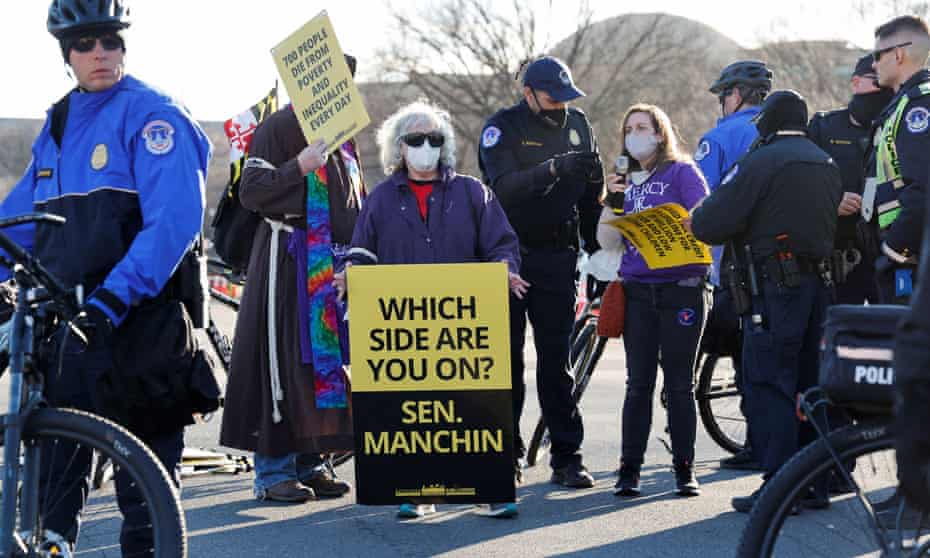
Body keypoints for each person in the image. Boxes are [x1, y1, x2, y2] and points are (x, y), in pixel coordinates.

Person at [0, 1, 212, 554]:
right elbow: (23, 222)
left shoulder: (154, 115)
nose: (100, 53)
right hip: (71, 333)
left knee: (146, 510)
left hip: (140, 330)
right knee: (50, 502)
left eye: (111, 41)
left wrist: (114, 298)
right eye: (86, 43)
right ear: (65, 54)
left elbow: (174, 223)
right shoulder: (60, 121)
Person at [342, 100, 526, 519]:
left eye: (434, 139)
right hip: (405, 334)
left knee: (475, 411)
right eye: (416, 139)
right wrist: (350, 273)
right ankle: (414, 489)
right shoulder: (381, 199)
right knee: (412, 413)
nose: (426, 146)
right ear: (399, 147)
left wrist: (504, 269)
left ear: (445, 146)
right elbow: (361, 252)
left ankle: (490, 488)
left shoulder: (473, 192)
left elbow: (502, 244)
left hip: (462, 330)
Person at [687, 90, 842, 512]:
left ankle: (779, 486)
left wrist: (698, 215)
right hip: (818, 289)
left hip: (773, 291)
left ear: (768, 123)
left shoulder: (760, 161)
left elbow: (711, 222)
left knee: (768, 383)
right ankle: (816, 483)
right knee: (810, 384)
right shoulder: (825, 161)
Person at [219, 56, 364, 504]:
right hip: (287, 258)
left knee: (320, 366)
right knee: (280, 362)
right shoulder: (278, 127)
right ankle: (273, 471)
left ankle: (312, 462)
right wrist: (297, 166)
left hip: (330, 265)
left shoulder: (344, 138)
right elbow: (252, 191)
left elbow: (354, 202)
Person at [477, 56, 603, 489]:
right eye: (551, 97)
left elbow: (590, 196)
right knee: (506, 362)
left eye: (566, 96)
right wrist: (551, 169)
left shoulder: (580, 124)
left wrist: (598, 252)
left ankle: (567, 455)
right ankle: (505, 454)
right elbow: (504, 187)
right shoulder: (502, 128)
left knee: (556, 360)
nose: (560, 105)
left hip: (557, 256)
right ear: (527, 92)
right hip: (510, 256)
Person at [606, 104, 710, 498]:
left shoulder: (681, 172)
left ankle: (685, 469)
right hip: (637, 291)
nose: (635, 134)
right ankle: (628, 470)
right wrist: (612, 201)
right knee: (638, 384)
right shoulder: (624, 181)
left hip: (681, 288)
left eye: (643, 127)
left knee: (680, 384)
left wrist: (685, 219)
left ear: (660, 133)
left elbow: (706, 211)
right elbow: (606, 240)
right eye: (629, 128)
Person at [694, 60, 774, 471]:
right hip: (783, 266)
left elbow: (698, 201)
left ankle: (756, 445)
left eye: (723, 95)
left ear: (737, 94)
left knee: (744, 357)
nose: (721, 103)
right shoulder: (786, 133)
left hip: (732, 268)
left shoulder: (721, 136)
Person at [808, 55, 894, 304]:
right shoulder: (824, 127)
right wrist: (832, 201)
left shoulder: (896, 125)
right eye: (876, 81)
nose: (883, 90)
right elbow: (803, 184)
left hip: (888, 250)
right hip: (841, 255)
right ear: (856, 83)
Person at [864, 15, 930, 305]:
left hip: (911, 255)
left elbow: (924, 187)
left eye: (878, 55)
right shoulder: (905, 102)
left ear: (899, 54)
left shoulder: (919, 104)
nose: (874, 64)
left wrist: (894, 248)